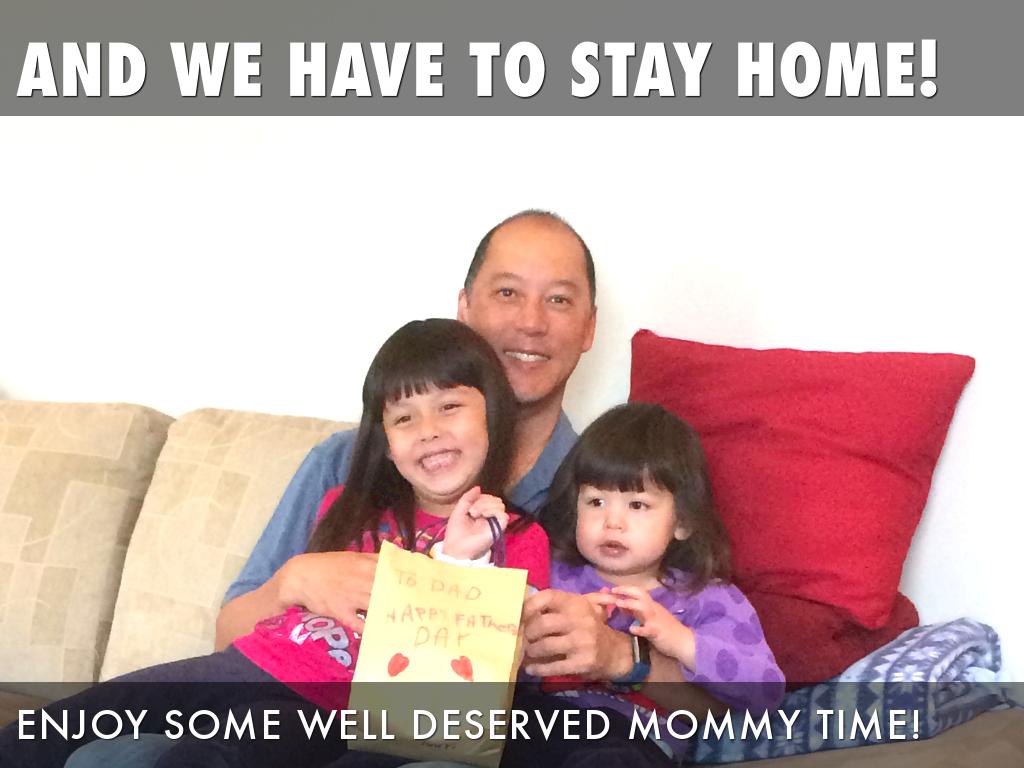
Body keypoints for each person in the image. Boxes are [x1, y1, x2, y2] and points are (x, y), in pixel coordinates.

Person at [64, 208, 599, 768]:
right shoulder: (345, 468)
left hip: (424, 729)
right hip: (275, 706)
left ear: (589, 327)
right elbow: (233, 636)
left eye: (559, 299)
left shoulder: (606, 496)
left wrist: (615, 652)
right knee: (110, 753)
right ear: (465, 308)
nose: (531, 322)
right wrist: (295, 580)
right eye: (508, 292)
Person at [1, 319, 550, 768]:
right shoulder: (345, 507)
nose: (428, 429)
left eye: (450, 407)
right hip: (254, 664)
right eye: (404, 418)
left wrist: (460, 558)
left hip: (340, 712)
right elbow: (250, 621)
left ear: (493, 415)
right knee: (79, 715)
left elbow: (483, 671)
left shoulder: (518, 537)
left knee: (221, 752)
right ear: (385, 443)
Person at [502, 403, 785, 767]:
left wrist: (680, 640)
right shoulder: (552, 574)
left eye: (637, 505)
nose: (613, 522)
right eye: (596, 501)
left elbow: (765, 691)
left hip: (634, 738)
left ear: (682, 522)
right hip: (537, 723)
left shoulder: (706, 597)